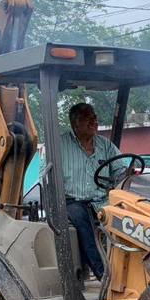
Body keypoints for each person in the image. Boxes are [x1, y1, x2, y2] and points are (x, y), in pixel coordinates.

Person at [59, 102, 121, 279]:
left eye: (95, 117)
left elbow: (120, 169)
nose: (94, 121)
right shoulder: (60, 145)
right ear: (74, 122)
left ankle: (126, 268)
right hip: (71, 201)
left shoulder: (105, 145)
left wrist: (126, 175)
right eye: (88, 118)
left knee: (125, 214)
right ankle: (103, 274)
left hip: (101, 200)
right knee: (82, 220)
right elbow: (46, 176)